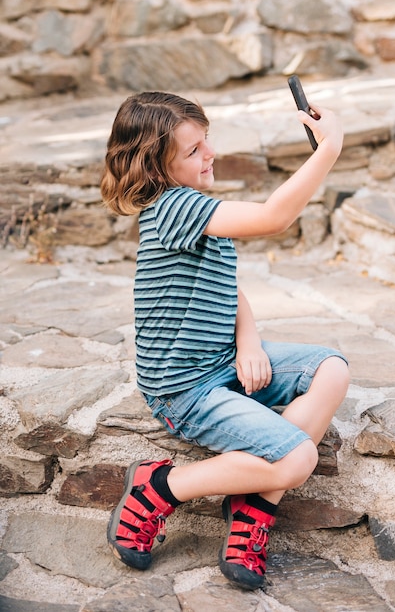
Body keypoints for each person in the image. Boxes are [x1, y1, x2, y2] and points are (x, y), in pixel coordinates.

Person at [100, 90, 349, 591]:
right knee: (298, 458)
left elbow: (226, 287)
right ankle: (159, 486)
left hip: (221, 361)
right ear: (154, 170)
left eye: (206, 140)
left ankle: (254, 504)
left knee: (332, 368)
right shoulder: (173, 207)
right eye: (193, 151)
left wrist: (250, 342)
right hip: (184, 388)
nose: (208, 154)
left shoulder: (197, 208)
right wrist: (328, 150)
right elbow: (274, 218)